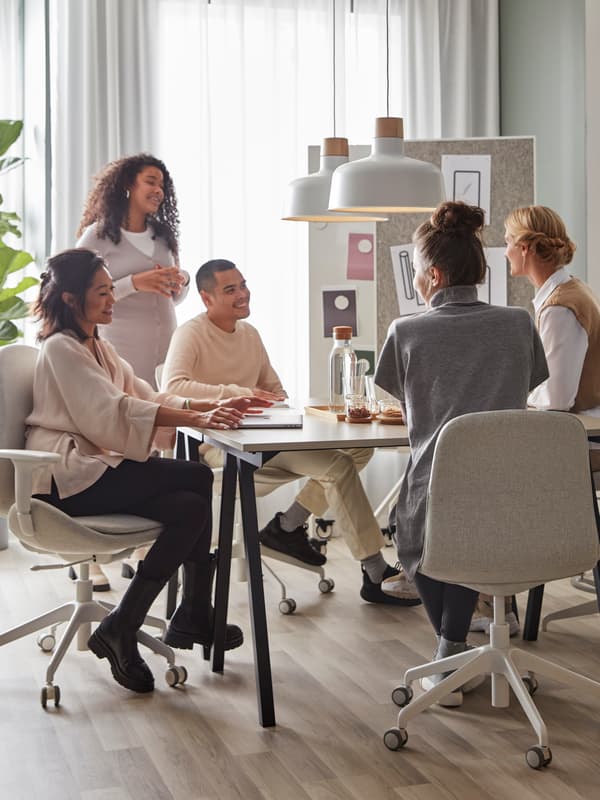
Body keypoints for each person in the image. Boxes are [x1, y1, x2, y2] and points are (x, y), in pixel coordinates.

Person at [25, 248, 267, 694]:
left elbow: (146, 395)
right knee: (196, 478)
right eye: (102, 292)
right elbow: (110, 411)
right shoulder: (62, 348)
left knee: (189, 508)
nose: (111, 299)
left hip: (94, 470)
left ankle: (127, 623)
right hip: (65, 478)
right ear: (72, 299)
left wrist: (209, 407)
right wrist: (199, 419)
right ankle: (190, 613)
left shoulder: (98, 346)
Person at [161, 258, 421, 606]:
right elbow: (174, 386)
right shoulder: (191, 333)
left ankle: (286, 526)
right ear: (207, 299)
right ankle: (374, 571)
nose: (243, 294)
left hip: (265, 438)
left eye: (243, 284)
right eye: (230, 289)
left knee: (359, 450)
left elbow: (275, 390)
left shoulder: (250, 335)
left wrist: (272, 401)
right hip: (222, 448)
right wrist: (240, 394)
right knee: (338, 466)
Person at [374, 201, 548, 706]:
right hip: (513, 489)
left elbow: (401, 399)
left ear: (431, 273)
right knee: (469, 525)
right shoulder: (518, 323)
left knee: (419, 528)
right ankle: (452, 650)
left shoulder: (406, 332)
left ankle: (449, 655)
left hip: (437, 489)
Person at [470, 204, 600, 637]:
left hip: (578, 441)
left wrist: (513, 395)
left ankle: (492, 599)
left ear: (525, 248)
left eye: (508, 242)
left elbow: (558, 397)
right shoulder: (561, 296)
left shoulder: (562, 307)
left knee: (480, 476)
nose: (504, 251)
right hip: (573, 433)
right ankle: (490, 596)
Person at [77, 153, 188, 589]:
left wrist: (173, 285)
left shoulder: (162, 236)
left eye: (162, 183)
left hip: (163, 347)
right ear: (127, 185)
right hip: (117, 348)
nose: (158, 190)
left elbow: (169, 298)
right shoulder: (98, 237)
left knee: (155, 443)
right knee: (106, 443)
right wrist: (134, 284)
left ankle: (142, 543)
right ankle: (88, 557)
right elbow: (79, 291)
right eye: (150, 181)